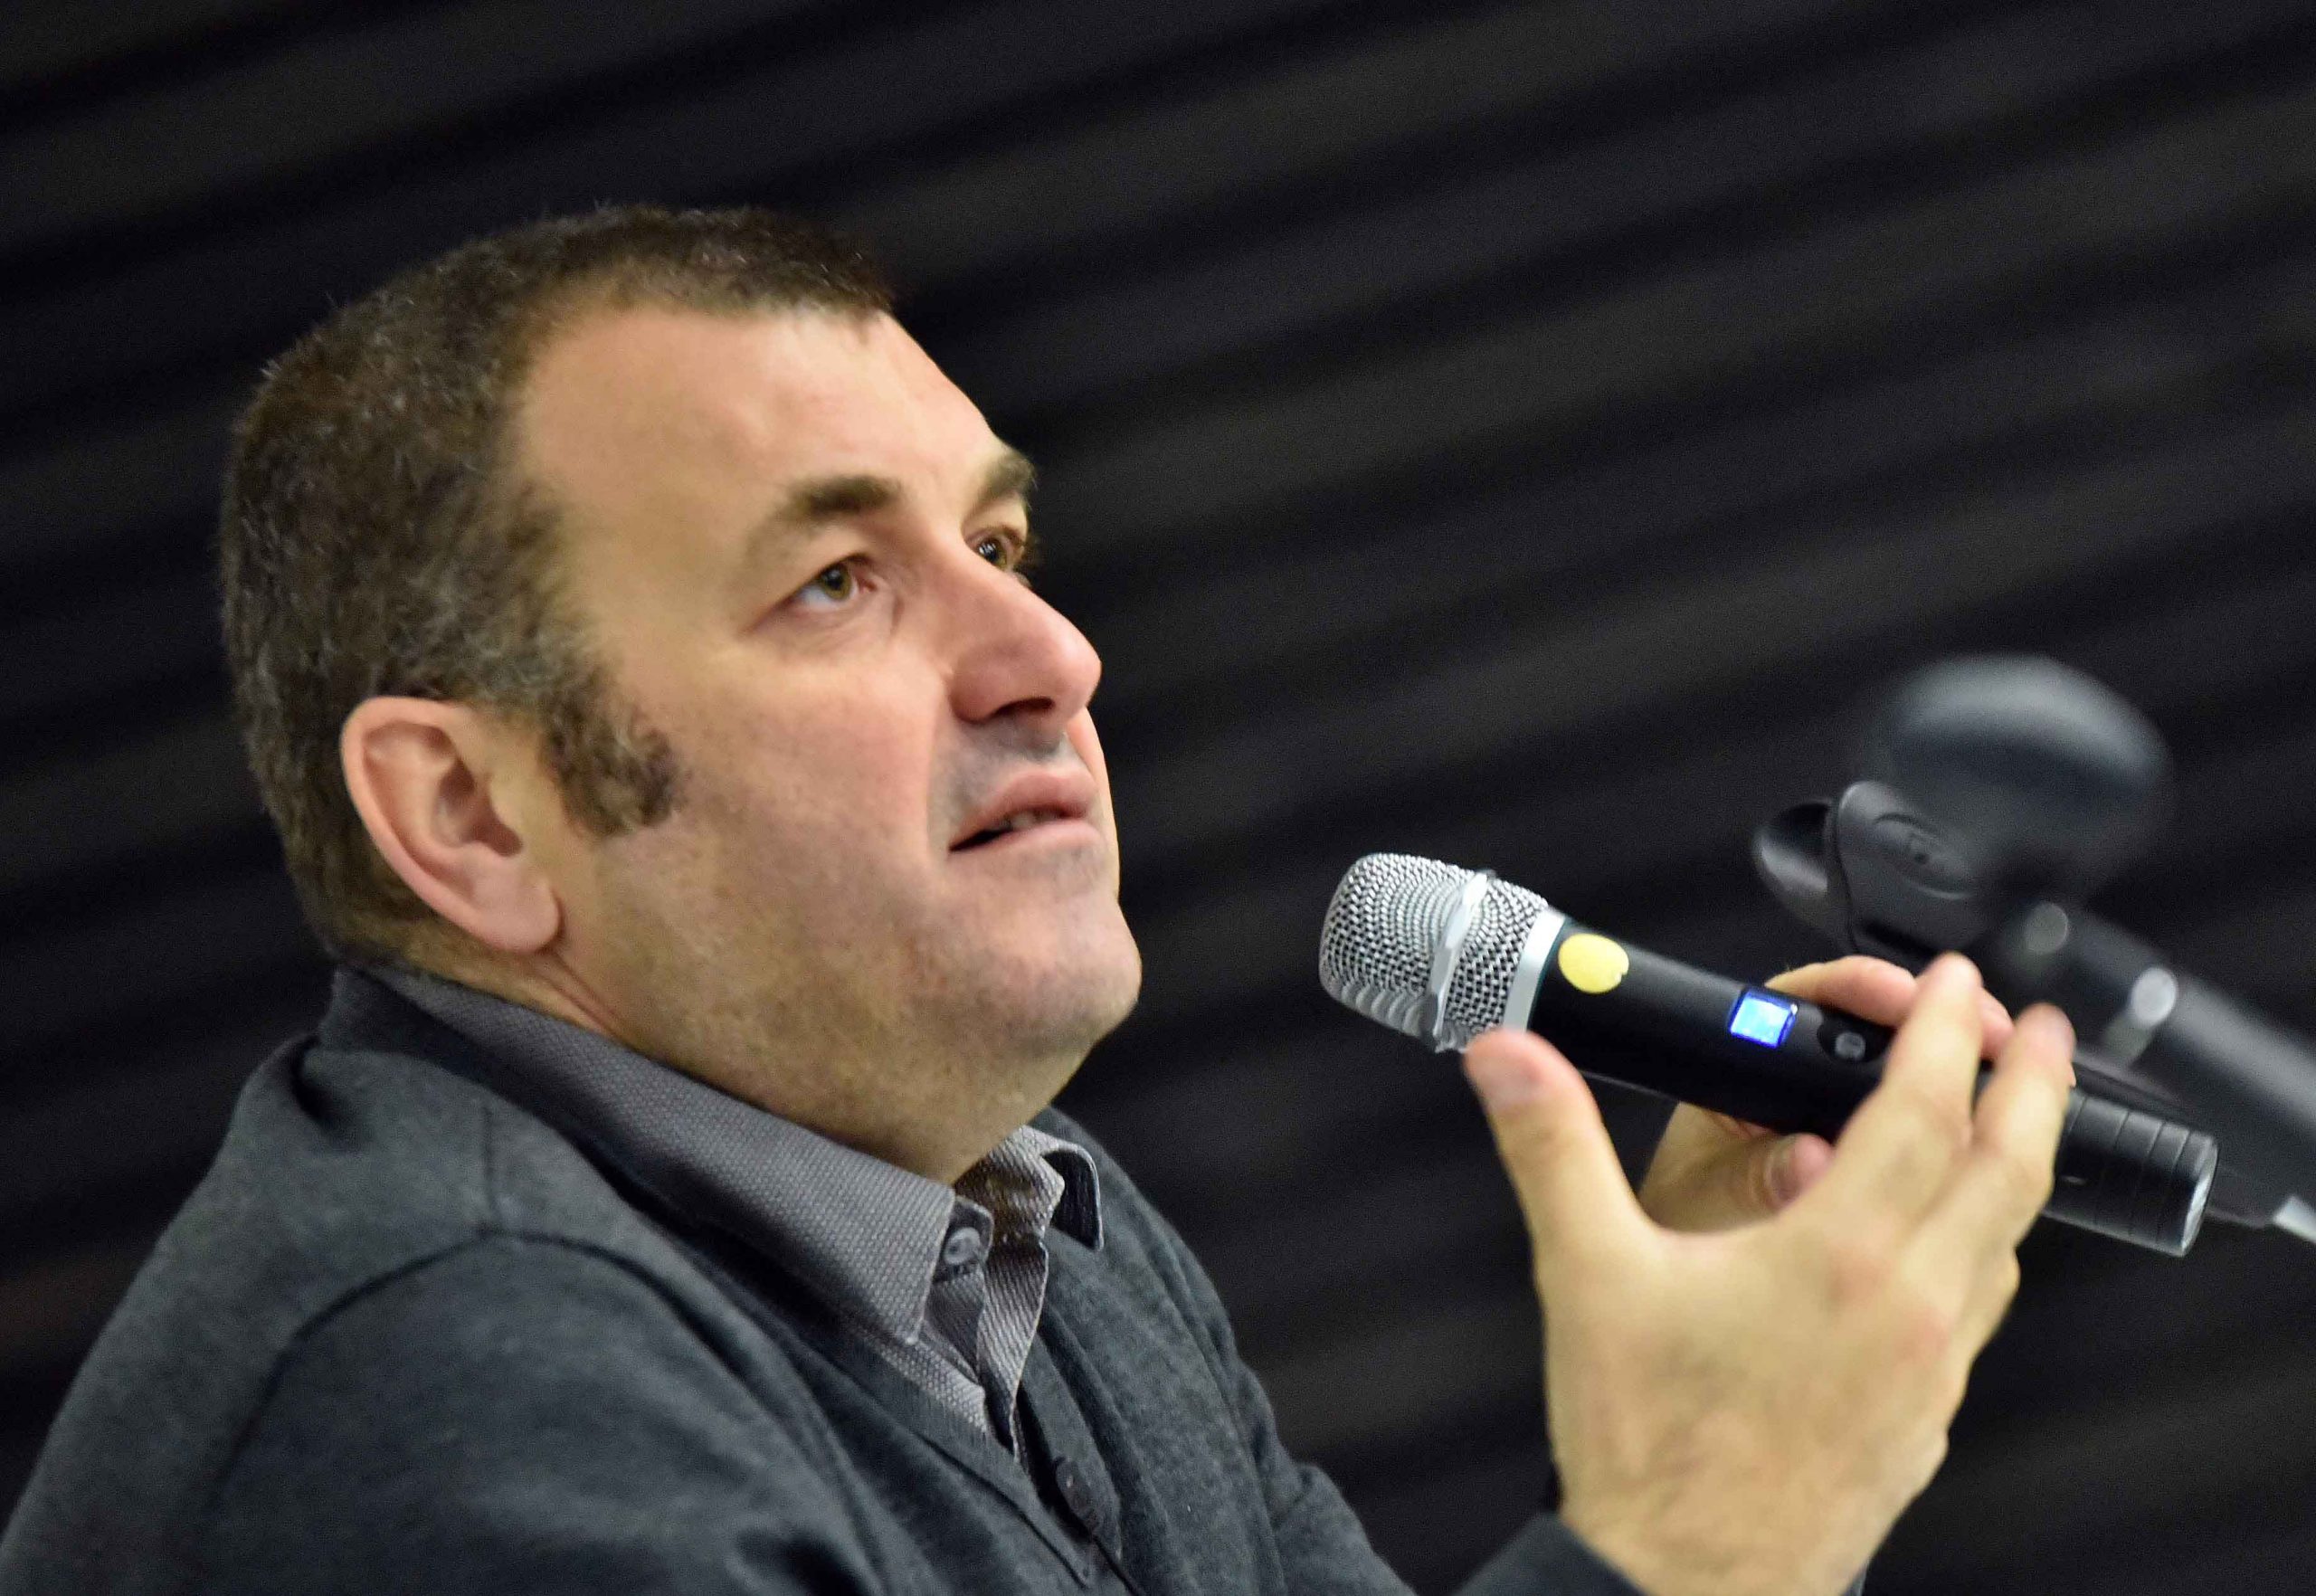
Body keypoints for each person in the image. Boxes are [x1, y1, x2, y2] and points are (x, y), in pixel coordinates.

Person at [0, 206, 2075, 1596]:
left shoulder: (1012, 1222)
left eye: (998, 544)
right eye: (837, 583)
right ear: (470, 816)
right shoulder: (452, 1390)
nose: (1050, 656)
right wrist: (1693, 1546)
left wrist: (1712, 1436)